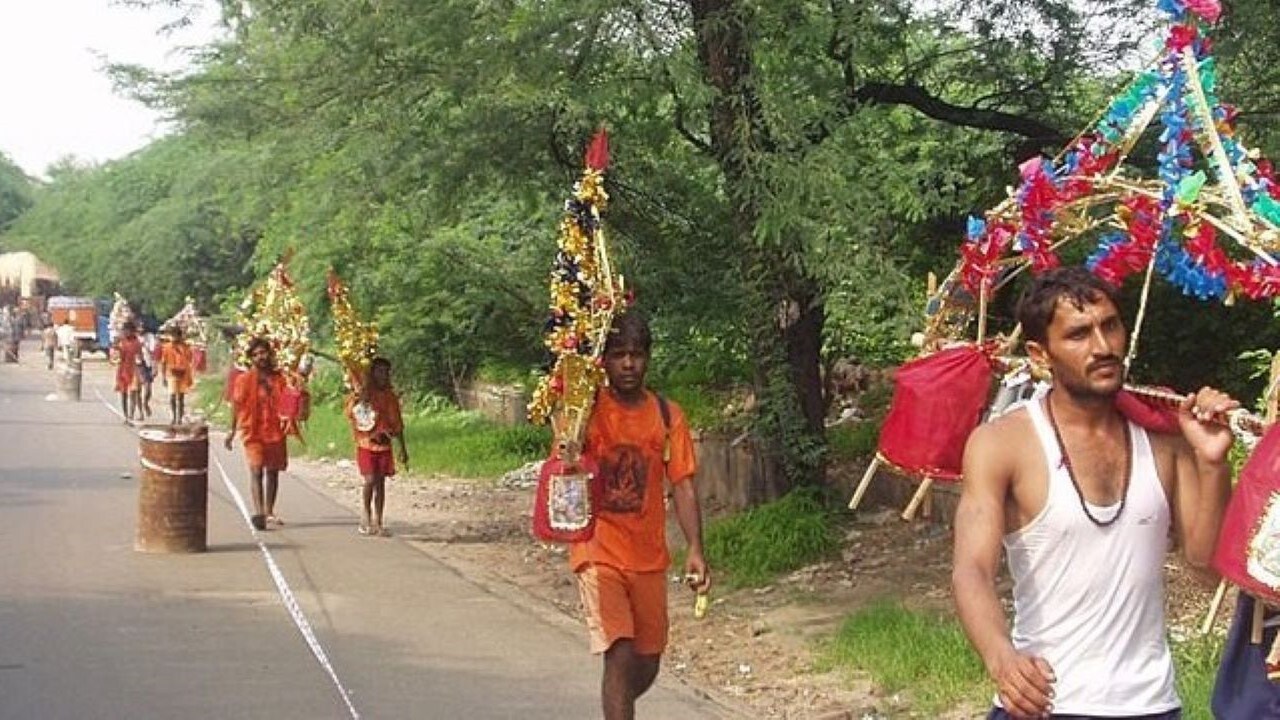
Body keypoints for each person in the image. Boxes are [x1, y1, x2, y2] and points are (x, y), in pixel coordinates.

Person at [952, 266, 1236, 719]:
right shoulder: (1003, 444)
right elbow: (972, 570)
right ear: (1039, 354)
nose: (1103, 347)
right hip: (1045, 704)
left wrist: (1212, 463)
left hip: (1150, 705)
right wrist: (1002, 658)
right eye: (1079, 334)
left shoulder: (1164, 440)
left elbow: (1205, 568)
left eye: (1110, 326)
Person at [568, 311, 710, 720]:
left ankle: (617, 706)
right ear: (604, 361)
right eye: (618, 355)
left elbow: (682, 484)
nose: (628, 363)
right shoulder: (587, 411)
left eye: (636, 354)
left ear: (648, 358)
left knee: (646, 662)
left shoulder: (668, 416)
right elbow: (564, 459)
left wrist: (696, 550)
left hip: (648, 556)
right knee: (620, 651)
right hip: (598, 549)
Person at [225, 337, 289, 531]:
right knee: (256, 469)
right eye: (257, 354)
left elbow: (289, 400)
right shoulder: (244, 380)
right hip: (253, 431)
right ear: (251, 358)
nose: (261, 357)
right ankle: (259, 512)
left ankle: (269, 511)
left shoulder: (279, 378)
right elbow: (236, 405)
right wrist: (232, 430)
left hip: (275, 430)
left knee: (273, 471)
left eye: (264, 353)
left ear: (270, 354)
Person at [344, 358, 409, 537]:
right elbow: (352, 413)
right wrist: (359, 397)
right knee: (370, 480)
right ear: (372, 374)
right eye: (379, 371)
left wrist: (402, 449)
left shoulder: (391, 397)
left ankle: (379, 521)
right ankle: (366, 515)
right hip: (366, 444)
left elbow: (398, 425)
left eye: (385, 372)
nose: (383, 375)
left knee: (380, 484)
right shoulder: (364, 394)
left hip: (384, 446)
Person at [158, 325, 195, 424]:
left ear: (179, 336)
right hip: (172, 374)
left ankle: (180, 418)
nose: (173, 338)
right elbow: (163, 362)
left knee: (181, 398)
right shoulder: (166, 347)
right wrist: (163, 377)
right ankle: (174, 417)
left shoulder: (185, 347)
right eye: (171, 335)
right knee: (172, 396)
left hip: (183, 374)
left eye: (175, 335)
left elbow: (190, 359)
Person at [112, 321, 144, 423]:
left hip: (134, 369)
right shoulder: (120, 342)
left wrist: (140, 369)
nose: (126, 332)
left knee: (133, 392)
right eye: (125, 330)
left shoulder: (137, 343)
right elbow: (114, 357)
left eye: (128, 330)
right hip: (123, 370)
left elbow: (140, 357)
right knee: (123, 393)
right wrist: (116, 351)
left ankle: (131, 414)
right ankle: (125, 415)